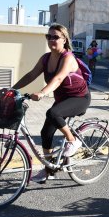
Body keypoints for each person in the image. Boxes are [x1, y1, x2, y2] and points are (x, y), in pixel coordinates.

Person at [12, 23, 91, 183]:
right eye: (48, 36)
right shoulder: (46, 58)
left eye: (55, 37)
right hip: (63, 100)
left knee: (53, 113)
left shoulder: (68, 57)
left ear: (64, 40)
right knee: (45, 133)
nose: (51, 40)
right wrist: (12, 89)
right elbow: (31, 75)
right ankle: (49, 169)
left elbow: (59, 78)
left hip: (79, 98)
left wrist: (42, 93)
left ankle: (73, 140)